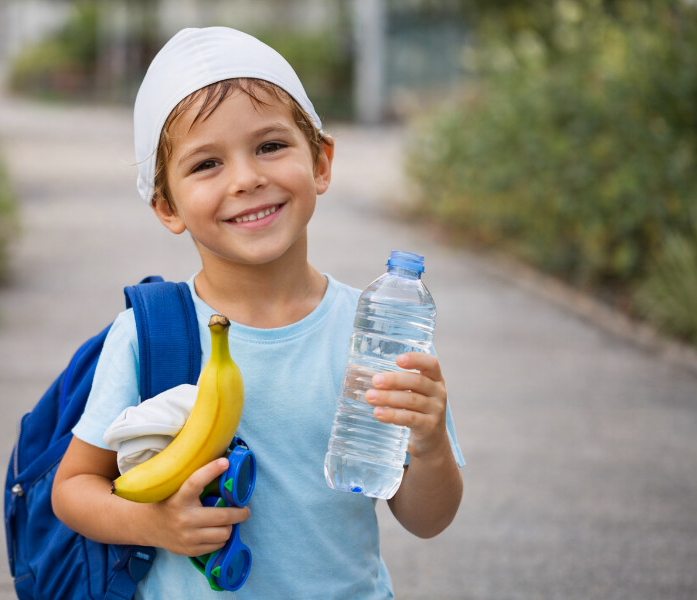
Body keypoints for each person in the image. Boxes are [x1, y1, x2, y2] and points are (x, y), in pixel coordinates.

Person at [52, 26, 464, 599]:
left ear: (320, 162)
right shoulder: (153, 335)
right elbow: (73, 487)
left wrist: (430, 442)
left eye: (270, 146)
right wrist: (151, 524)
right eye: (206, 164)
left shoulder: (373, 332)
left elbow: (427, 519)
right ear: (167, 206)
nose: (247, 179)